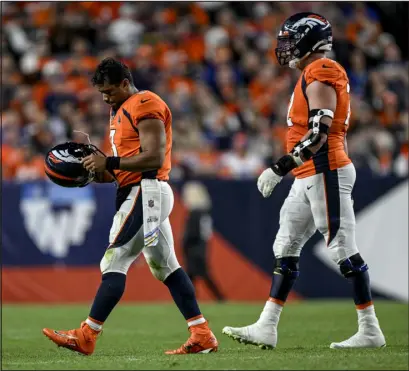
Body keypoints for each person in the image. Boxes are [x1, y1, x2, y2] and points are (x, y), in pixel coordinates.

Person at [222, 13, 386, 350]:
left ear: (310, 41)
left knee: (342, 249)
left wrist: (278, 168)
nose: (284, 48)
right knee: (285, 245)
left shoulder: (321, 70)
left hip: (325, 168)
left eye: (290, 40)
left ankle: (370, 330)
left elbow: (318, 135)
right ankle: (267, 326)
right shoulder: (312, 73)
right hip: (310, 173)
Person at [42, 58, 218, 355]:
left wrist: (109, 162)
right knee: (165, 266)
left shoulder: (145, 102)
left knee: (114, 260)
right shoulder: (119, 109)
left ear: (125, 82)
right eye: (101, 93)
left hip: (146, 190)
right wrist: (95, 171)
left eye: (109, 91)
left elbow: (154, 157)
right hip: (139, 190)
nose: (105, 98)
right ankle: (201, 334)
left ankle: (87, 334)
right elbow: (120, 166)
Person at [181, 181, 225, 302]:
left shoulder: (194, 213)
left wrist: (184, 244)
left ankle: (219, 298)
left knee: (197, 276)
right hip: (202, 247)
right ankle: (190, 300)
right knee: (196, 276)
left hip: (194, 249)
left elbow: (192, 234)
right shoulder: (204, 213)